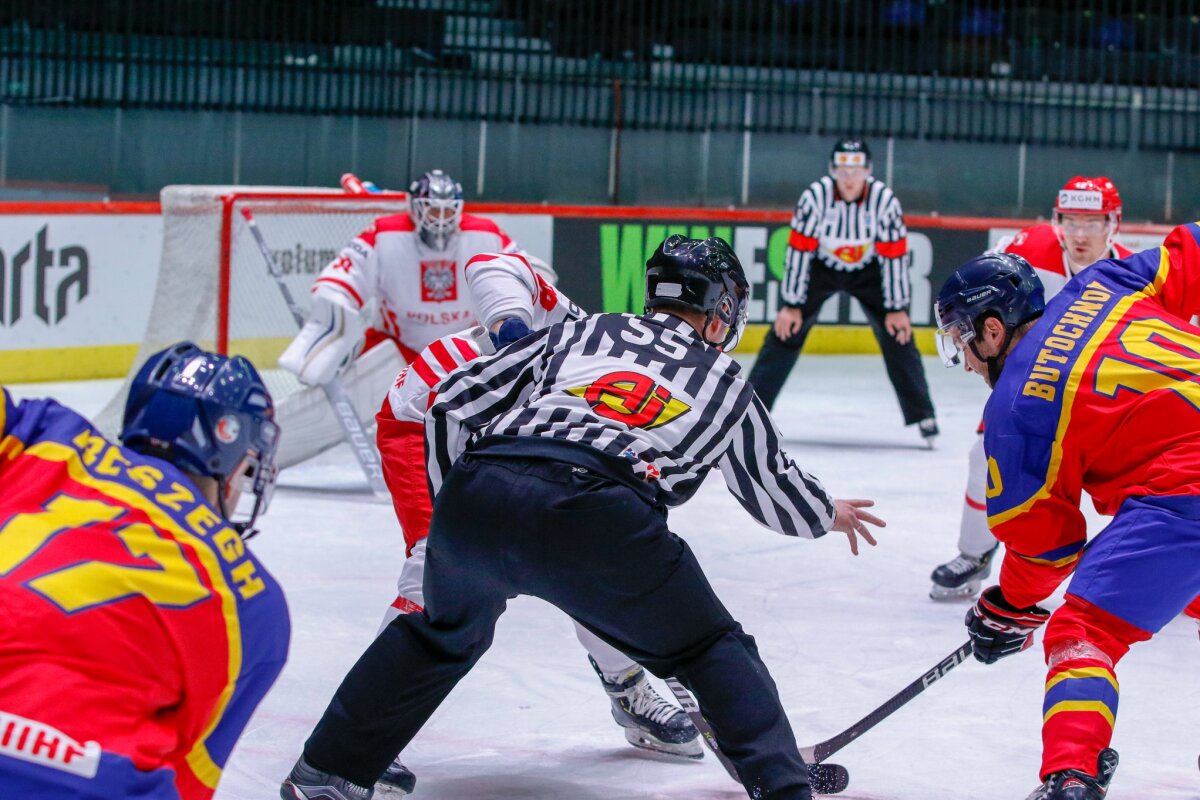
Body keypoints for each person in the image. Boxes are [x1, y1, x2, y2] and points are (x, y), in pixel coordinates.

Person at [280, 235, 886, 800]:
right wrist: (827, 513)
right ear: (721, 309)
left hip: (483, 489)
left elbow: (452, 403)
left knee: (438, 633)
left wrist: (451, 524)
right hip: (601, 514)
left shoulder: (588, 330)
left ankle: (327, 770)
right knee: (710, 647)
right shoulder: (724, 379)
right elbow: (774, 492)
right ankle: (782, 786)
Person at [371, 250, 699, 794]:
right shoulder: (589, 330)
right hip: (426, 416)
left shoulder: (655, 389)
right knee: (437, 568)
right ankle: (373, 731)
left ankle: (624, 683)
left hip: (498, 442)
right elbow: (490, 263)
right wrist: (510, 325)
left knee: (591, 552)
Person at [933, 221, 1200, 798]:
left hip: (1187, 490)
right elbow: (1196, 248)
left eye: (962, 338)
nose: (968, 358)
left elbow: (1045, 546)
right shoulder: (1108, 282)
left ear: (994, 329)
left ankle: (1070, 778)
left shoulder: (1016, 408)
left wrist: (1009, 604)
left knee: (1084, 632)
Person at [0, 342, 289, 800]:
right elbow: (186, 781)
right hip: (88, 779)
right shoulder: (254, 599)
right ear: (237, 461)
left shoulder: (46, 433)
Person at [929, 176, 1134, 600]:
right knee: (985, 457)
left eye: (1092, 222)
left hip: (1101, 402)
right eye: (1071, 221)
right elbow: (970, 290)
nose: (1079, 234)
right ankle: (974, 553)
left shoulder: (1133, 273)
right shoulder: (1028, 249)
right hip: (1030, 390)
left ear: (1114, 223)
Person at [275, 168, 534, 468]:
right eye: (432, 209)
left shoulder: (485, 234)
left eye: (446, 210)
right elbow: (341, 277)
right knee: (376, 415)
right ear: (414, 207)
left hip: (463, 351)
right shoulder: (385, 233)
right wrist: (334, 318)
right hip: (395, 348)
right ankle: (271, 441)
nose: (439, 218)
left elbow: (528, 273)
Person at [748, 137, 937, 446]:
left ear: (868, 170)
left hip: (868, 269)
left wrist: (896, 307)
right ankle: (750, 412)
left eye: (857, 170)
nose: (849, 178)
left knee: (898, 335)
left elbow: (893, 256)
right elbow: (798, 253)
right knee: (785, 331)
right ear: (832, 170)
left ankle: (923, 415)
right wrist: (791, 303)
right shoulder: (815, 197)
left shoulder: (884, 201)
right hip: (820, 268)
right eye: (843, 170)